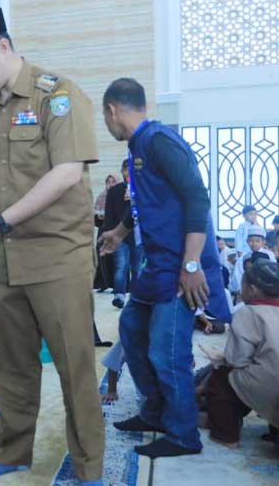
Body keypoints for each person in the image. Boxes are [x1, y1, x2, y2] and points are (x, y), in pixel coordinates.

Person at [0, 8, 105, 484]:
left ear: (3, 48)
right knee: (10, 365)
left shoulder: (60, 96)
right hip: (3, 259)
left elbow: (67, 172)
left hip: (57, 257)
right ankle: (11, 454)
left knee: (75, 369)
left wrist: (2, 221)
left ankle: (90, 468)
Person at [98, 77, 231, 458]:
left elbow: (197, 198)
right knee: (132, 331)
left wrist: (191, 263)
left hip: (178, 270)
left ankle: (182, 434)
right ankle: (155, 413)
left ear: (112, 110)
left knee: (166, 352)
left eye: (104, 116)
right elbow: (147, 204)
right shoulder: (138, 146)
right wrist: (120, 232)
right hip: (154, 267)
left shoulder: (159, 141)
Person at [198, 259, 279, 448]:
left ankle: (225, 434)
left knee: (222, 374)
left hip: (272, 389)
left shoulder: (248, 312)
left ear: (252, 289)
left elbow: (237, 359)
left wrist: (220, 359)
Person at [105, 158, 144, 309]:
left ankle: (136, 297)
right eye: (126, 169)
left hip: (138, 236)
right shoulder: (114, 191)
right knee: (121, 266)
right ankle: (119, 296)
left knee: (137, 268)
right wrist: (110, 234)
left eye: (131, 170)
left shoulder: (142, 190)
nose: (128, 173)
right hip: (120, 236)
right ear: (122, 172)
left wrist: (134, 199)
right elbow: (110, 215)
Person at [228, 225, 276, 299]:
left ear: (263, 242)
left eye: (257, 241)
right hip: (248, 287)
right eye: (251, 241)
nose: (254, 244)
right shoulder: (244, 256)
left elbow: (273, 271)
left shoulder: (269, 255)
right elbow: (239, 273)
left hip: (266, 287)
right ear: (247, 241)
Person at [93, 174, 118, 292]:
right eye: (109, 182)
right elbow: (95, 219)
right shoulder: (101, 197)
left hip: (117, 230)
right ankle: (102, 283)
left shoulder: (120, 195)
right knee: (101, 255)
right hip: (103, 230)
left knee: (116, 258)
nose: (110, 184)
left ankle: (117, 284)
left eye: (113, 182)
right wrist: (98, 216)